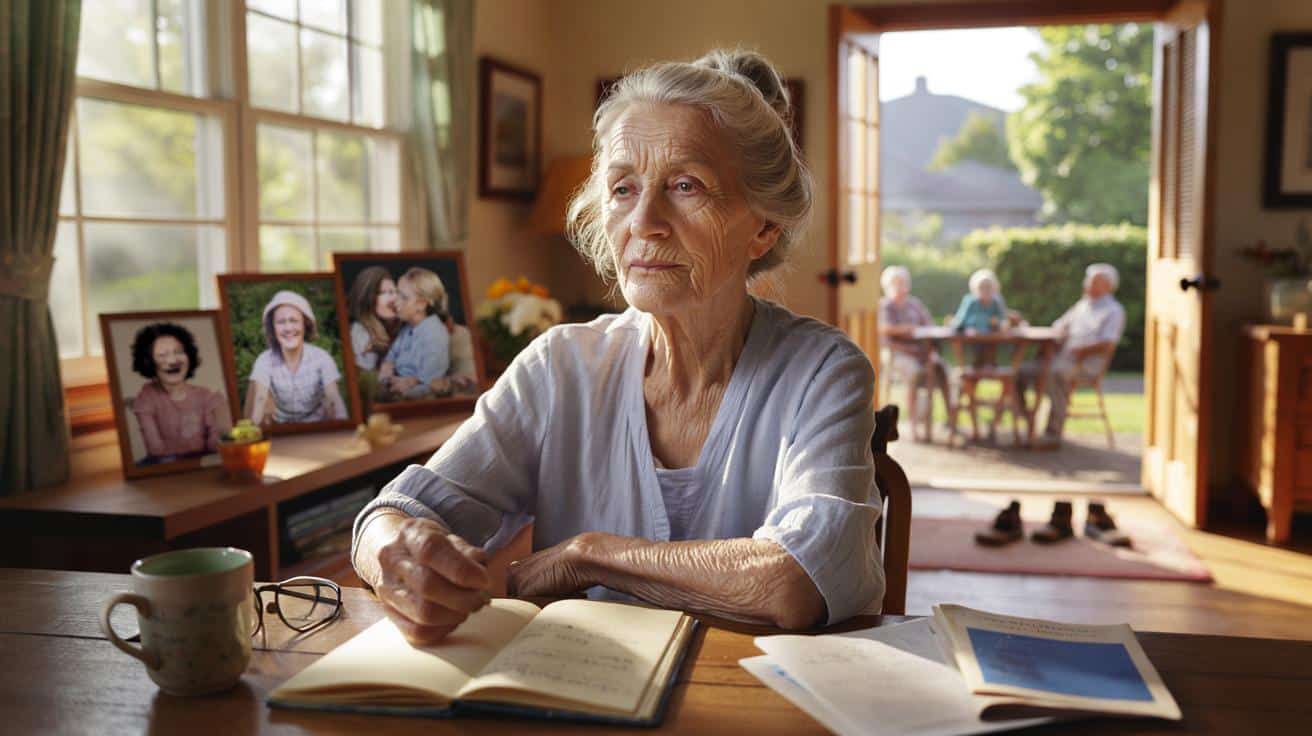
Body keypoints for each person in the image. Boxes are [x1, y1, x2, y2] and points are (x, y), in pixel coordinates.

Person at [350, 49, 885, 646]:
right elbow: (397, 511)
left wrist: (588, 556)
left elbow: (795, 580)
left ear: (764, 227)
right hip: (587, 685)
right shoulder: (560, 366)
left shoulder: (822, 370)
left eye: (686, 186)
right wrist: (397, 550)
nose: (644, 221)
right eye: (623, 188)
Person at [1018, 263, 1126, 448]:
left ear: (1108, 286)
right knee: (1018, 372)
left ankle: (1053, 434)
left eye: (1093, 282)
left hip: (1085, 364)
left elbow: (1108, 343)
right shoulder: (1081, 306)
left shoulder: (1113, 311)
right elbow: (1058, 327)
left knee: (1054, 373)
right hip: (1062, 358)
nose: (1087, 284)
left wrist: (1079, 351)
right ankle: (1026, 419)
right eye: (1088, 280)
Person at [130, 322, 231, 462]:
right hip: (164, 465)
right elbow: (156, 450)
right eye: (162, 355)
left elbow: (216, 447)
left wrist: (223, 424)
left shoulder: (208, 397)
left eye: (179, 352)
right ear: (148, 362)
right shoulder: (146, 398)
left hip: (202, 463)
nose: (173, 361)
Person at [245, 290, 349, 424]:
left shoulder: (322, 358)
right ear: (273, 328)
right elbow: (260, 399)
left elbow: (334, 398)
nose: (288, 328)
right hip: (281, 427)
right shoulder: (264, 360)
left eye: (294, 321)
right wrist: (253, 431)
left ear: (305, 324)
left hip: (317, 425)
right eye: (281, 322)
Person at [878, 265, 949, 440]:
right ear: (887, 285)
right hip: (898, 353)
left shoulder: (914, 304)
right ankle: (913, 425)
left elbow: (929, 326)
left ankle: (950, 421)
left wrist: (927, 347)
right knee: (914, 373)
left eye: (903, 283)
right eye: (896, 283)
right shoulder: (886, 305)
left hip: (921, 352)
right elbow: (885, 328)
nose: (901, 287)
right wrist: (908, 329)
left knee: (942, 369)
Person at [379, 267, 451, 401]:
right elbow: (391, 357)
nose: (395, 301)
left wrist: (409, 382)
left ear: (421, 304)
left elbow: (430, 376)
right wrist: (386, 371)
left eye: (403, 297)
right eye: (397, 293)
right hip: (399, 382)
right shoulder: (406, 330)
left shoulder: (435, 334)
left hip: (422, 390)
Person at [347, 266, 401, 373]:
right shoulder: (360, 333)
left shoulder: (403, 327)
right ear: (368, 298)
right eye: (385, 292)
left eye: (396, 291)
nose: (394, 298)